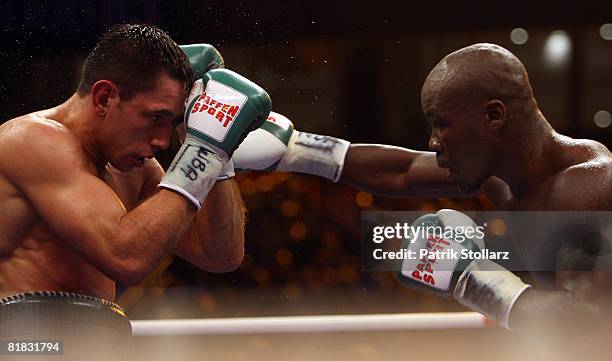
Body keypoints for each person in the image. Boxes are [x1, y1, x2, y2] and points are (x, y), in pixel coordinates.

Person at [214, 43, 612, 332]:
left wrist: (472, 279)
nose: (434, 141)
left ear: (493, 115)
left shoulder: (587, 189)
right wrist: (296, 149)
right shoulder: (500, 174)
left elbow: (592, 325)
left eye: (442, 124)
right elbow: (402, 171)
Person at [0, 24, 271, 360]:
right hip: (25, 342)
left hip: (96, 341)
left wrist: (217, 156)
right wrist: (203, 151)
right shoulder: (32, 140)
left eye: (172, 122)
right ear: (104, 98)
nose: (162, 141)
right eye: (155, 117)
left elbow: (219, 254)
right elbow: (125, 257)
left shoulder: (129, 168)